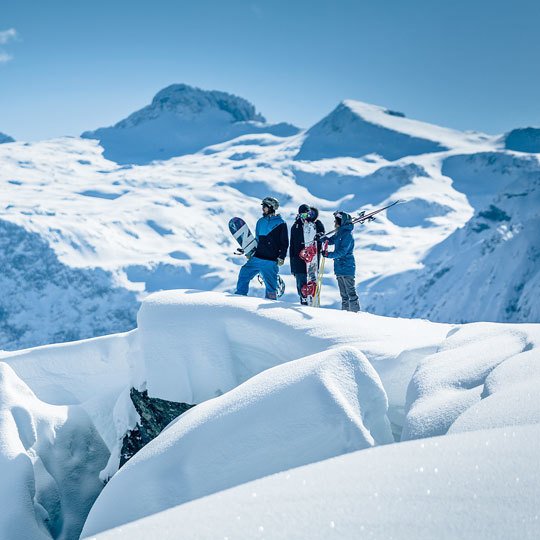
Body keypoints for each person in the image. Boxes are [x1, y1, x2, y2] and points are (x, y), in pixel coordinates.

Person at [235, 196, 289, 300]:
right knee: (244, 273)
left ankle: (269, 306)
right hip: (257, 258)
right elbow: (257, 239)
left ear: (271, 207)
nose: (262, 208)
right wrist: (249, 250)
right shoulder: (260, 221)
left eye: (264, 206)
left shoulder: (281, 223)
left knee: (271, 287)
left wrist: (282, 257)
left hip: (270, 261)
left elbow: (284, 243)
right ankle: (239, 298)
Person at [322, 210, 359, 312]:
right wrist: (322, 238)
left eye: (336, 221)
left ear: (341, 222)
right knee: (343, 294)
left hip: (347, 267)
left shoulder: (347, 235)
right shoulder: (339, 233)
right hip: (339, 267)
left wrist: (328, 254)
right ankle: (345, 314)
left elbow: (342, 251)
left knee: (350, 293)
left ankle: (355, 313)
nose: (334, 223)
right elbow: (331, 240)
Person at [289, 204, 325, 305]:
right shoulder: (295, 226)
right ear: (299, 215)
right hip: (299, 262)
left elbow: (323, 235)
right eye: (303, 215)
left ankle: (313, 301)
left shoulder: (316, 224)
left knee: (312, 285)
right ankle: (304, 301)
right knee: (302, 286)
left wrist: (320, 236)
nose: (306, 218)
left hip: (312, 261)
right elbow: (292, 247)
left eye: (308, 215)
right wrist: (293, 268)